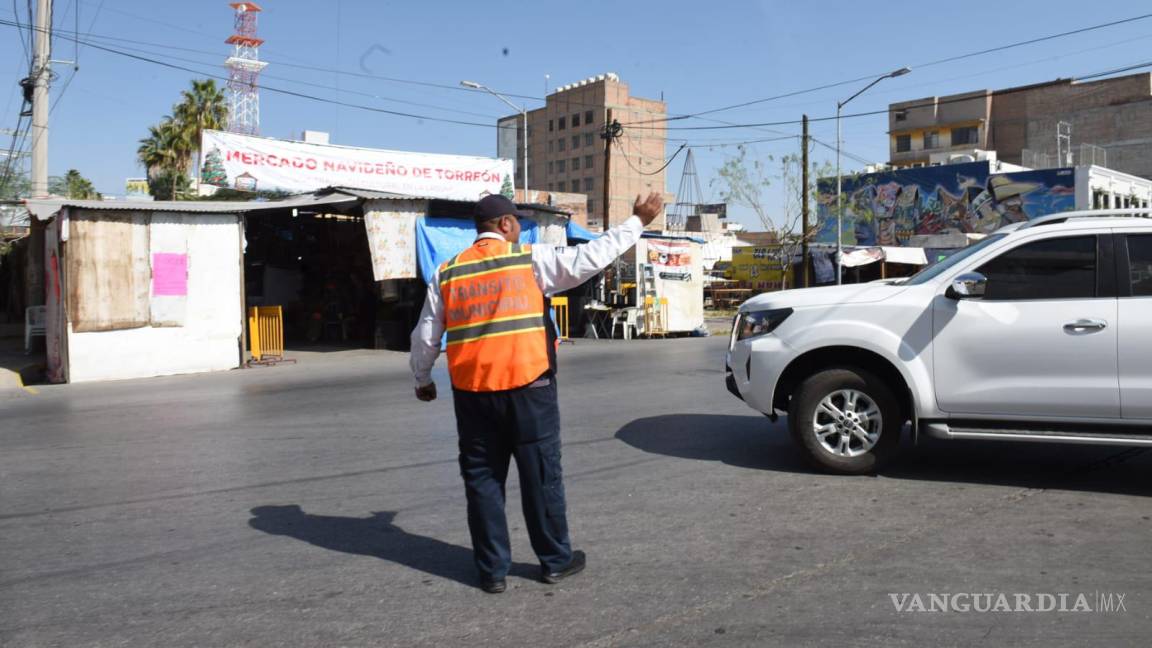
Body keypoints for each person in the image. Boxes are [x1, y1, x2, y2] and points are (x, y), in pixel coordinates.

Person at [410, 192, 664, 593]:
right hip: (530, 390)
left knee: (483, 481)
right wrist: (638, 221)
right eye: (517, 223)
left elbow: (426, 336)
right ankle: (555, 562)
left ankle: (492, 572)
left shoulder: (447, 273)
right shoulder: (530, 260)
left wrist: (423, 380)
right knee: (541, 476)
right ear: (507, 225)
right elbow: (593, 257)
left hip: (474, 395)